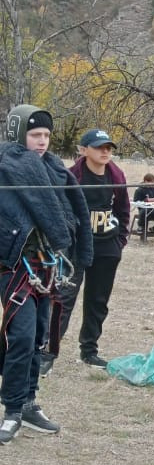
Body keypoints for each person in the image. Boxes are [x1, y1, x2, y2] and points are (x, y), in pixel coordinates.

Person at [0, 106, 92, 444]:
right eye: (35, 134)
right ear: (18, 133)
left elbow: (70, 214)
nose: (42, 142)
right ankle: (11, 410)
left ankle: (28, 402)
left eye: (47, 136)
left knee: (39, 335)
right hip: (12, 268)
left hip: (47, 266)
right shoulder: (5, 168)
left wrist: (74, 246)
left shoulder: (55, 171)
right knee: (21, 336)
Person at [48, 129, 130, 370]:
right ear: (83, 150)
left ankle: (89, 350)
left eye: (108, 147)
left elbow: (124, 211)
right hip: (76, 248)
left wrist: (120, 241)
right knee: (63, 299)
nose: (105, 151)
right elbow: (60, 212)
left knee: (98, 301)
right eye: (99, 147)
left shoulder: (117, 175)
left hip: (107, 248)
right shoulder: (71, 176)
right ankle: (48, 352)